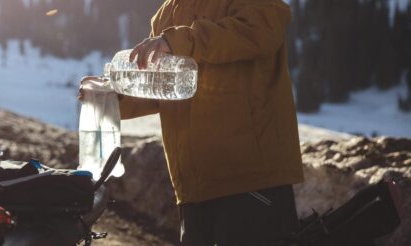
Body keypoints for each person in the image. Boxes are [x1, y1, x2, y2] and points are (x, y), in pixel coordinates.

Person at [80, 0, 304, 245]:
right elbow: (164, 90)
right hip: (193, 191)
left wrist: (178, 42)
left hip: (251, 183)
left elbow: (263, 29)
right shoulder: (167, 13)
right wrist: (112, 96)